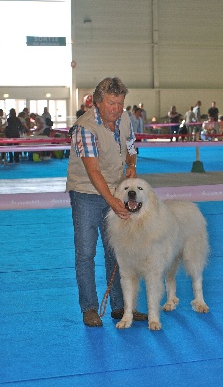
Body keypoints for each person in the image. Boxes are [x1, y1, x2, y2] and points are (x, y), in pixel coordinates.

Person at [66, 77, 147, 327]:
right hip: (86, 194)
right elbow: (93, 172)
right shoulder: (85, 128)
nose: (117, 109)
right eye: (112, 103)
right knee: (86, 253)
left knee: (117, 252)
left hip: (115, 191)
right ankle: (89, 308)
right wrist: (113, 201)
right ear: (98, 103)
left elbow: (131, 147)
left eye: (120, 103)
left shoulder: (124, 120)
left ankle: (121, 308)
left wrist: (131, 165)